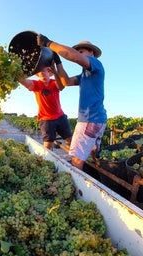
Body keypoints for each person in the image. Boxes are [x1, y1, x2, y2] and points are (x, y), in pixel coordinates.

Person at [37, 35, 107, 170]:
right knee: (91, 152)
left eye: (81, 51)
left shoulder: (96, 64)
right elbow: (66, 82)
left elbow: (72, 56)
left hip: (89, 120)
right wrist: (57, 65)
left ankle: (78, 189)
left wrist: (49, 43)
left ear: (91, 52)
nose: (78, 53)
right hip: (97, 120)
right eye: (78, 51)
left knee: (76, 159)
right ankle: (94, 176)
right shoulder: (85, 75)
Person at [18, 56, 72, 150]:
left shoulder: (54, 82)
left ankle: (73, 159)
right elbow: (23, 81)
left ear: (49, 73)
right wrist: (17, 68)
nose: (42, 72)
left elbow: (61, 87)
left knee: (70, 140)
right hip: (46, 120)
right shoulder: (36, 84)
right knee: (47, 146)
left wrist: (55, 71)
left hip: (60, 117)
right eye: (39, 71)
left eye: (45, 70)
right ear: (37, 74)